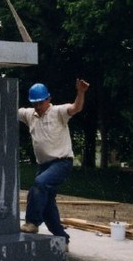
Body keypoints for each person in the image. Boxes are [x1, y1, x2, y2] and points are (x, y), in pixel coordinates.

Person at [18, 79, 90, 246]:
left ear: (48, 99)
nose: (37, 106)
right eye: (34, 103)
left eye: (40, 102)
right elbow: (11, 109)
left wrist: (81, 92)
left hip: (61, 163)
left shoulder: (59, 112)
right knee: (48, 204)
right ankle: (62, 238)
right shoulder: (30, 115)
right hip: (43, 165)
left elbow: (76, 108)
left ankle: (32, 222)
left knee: (39, 184)